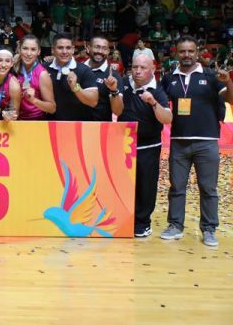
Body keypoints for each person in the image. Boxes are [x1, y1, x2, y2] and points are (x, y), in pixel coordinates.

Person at [159, 35, 233, 247]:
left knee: (208, 188)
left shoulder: (211, 76)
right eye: (182, 51)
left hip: (206, 141)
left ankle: (209, 229)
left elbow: (231, 99)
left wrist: (228, 81)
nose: (187, 55)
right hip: (178, 141)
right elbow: (159, 101)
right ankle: (175, 226)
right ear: (176, 53)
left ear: (197, 52)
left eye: (191, 51)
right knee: (177, 187)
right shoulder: (169, 78)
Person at [117, 53, 172, 238]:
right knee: (123, 184)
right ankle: (123, 220)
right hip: (123, 144)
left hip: (148, 146)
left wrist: (152, 102)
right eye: (135, 67)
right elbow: (116, 108)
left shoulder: (158, 90)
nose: (138, 71)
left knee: (146, 185)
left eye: (143, 68)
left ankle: (142, 223)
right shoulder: (124, 83)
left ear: (152, 69)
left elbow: (167, 118)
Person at [44, 33, 99, 121]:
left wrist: (75, 87)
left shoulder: (84, 70)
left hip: (78, 125)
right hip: (50, 124)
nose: (64, 52)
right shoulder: (43, 68)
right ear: (53, 50)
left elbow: (93, 102)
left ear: (73, 49)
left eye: (68, 48)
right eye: (60, 48)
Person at [15, 35, 56, 120]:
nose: (28, 53)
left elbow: (52, 108)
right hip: (15, 120)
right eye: (25, 48)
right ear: (19, 49)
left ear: (39, 51)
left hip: (35, 122)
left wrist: (34, 100)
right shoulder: (13, 67)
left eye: (33, 49)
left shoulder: (42, 74)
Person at [84, 35, 124, 121]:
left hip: (99, 127)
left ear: (108, 51)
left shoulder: (113, 76)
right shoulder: (78, 69)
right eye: (97, 47)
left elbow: (118, 112)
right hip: (74, 125)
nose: (100, 51)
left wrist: (114, 90)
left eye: (104, 48)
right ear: (88, 48)